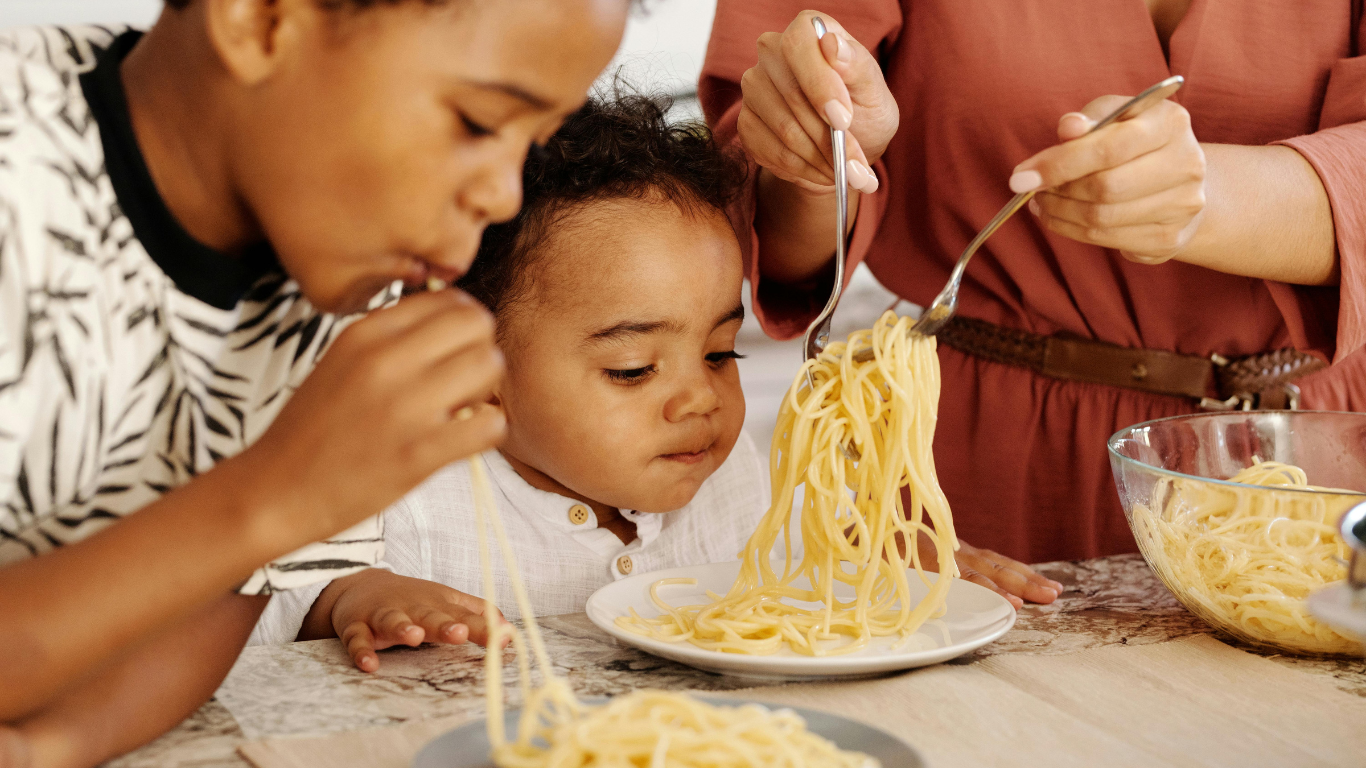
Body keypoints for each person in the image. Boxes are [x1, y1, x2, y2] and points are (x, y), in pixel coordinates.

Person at [0, 0, 628, 764]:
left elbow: (210, 626)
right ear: (259, 20)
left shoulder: (336, 250)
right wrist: (276, 495)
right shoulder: (19, 168)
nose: (504, 196)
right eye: (475, 121)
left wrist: (48, 748)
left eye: (531, 142)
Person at [699, 1, 1366, 566]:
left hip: (1328, 456)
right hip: (982, 478)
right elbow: (771, 236)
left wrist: (1217, 199)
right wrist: (820, 153)